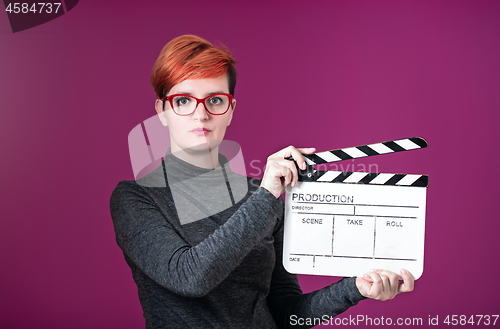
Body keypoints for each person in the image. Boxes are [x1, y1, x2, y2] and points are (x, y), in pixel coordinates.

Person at [110, 35, 414, 329]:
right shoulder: (135, 198)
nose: (200, 114)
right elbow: (191, 277)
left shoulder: (262, 197)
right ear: (163, 112)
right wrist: (267, 194)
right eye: (183, 101)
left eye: (215, 100)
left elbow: (286, 314)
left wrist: (355, 288)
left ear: (230, 110)